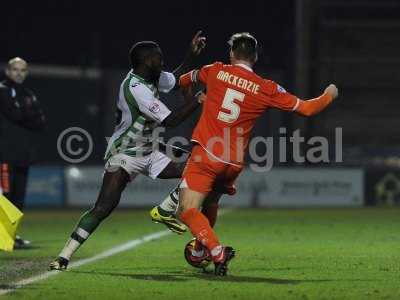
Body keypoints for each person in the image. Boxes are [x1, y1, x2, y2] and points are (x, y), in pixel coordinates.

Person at [175, 32, 339, 276]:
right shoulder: (266, 88)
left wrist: (193, 100)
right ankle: (201, 249)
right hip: (233, 163)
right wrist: (329, 94)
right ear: (255, 57)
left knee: (186, 210)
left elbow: (183, 80)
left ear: (232, 54)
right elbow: (306, 109)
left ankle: (217, 251)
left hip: (207, 153)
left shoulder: (215, 70)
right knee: (210, 202)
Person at [49, 32, 207, 270]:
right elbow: (171, 120)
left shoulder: (150, 76)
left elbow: (174, 80)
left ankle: (165, 210)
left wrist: (190, 55)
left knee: (196, 171)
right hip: (125, 154)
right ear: (146, 61)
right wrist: (198, 99)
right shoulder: (135, 88)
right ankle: (64, 256)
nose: (162, 62)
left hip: (150, 150)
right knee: (104, 207)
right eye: (158, 58)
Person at [0, 57, 46, 248]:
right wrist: (29, 114)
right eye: (15, 69)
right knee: (6, 197)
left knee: (18, 199)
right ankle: (3, 237)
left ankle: (11, 236)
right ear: (8, 71)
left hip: (23, 155)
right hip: (5, 155)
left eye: (23, 70)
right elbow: (14, 114)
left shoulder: (28, 93)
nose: (19, 73)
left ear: (26, 72)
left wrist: (25, 113)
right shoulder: (2, 90)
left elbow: (41, 121)